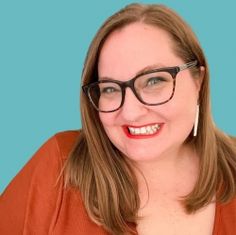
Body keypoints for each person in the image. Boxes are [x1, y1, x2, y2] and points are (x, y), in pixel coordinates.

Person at [1, 3, 236, 235]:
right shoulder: (58, 168)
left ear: (199, 82)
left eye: (154, 81)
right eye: (110, 89)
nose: (131, 112)